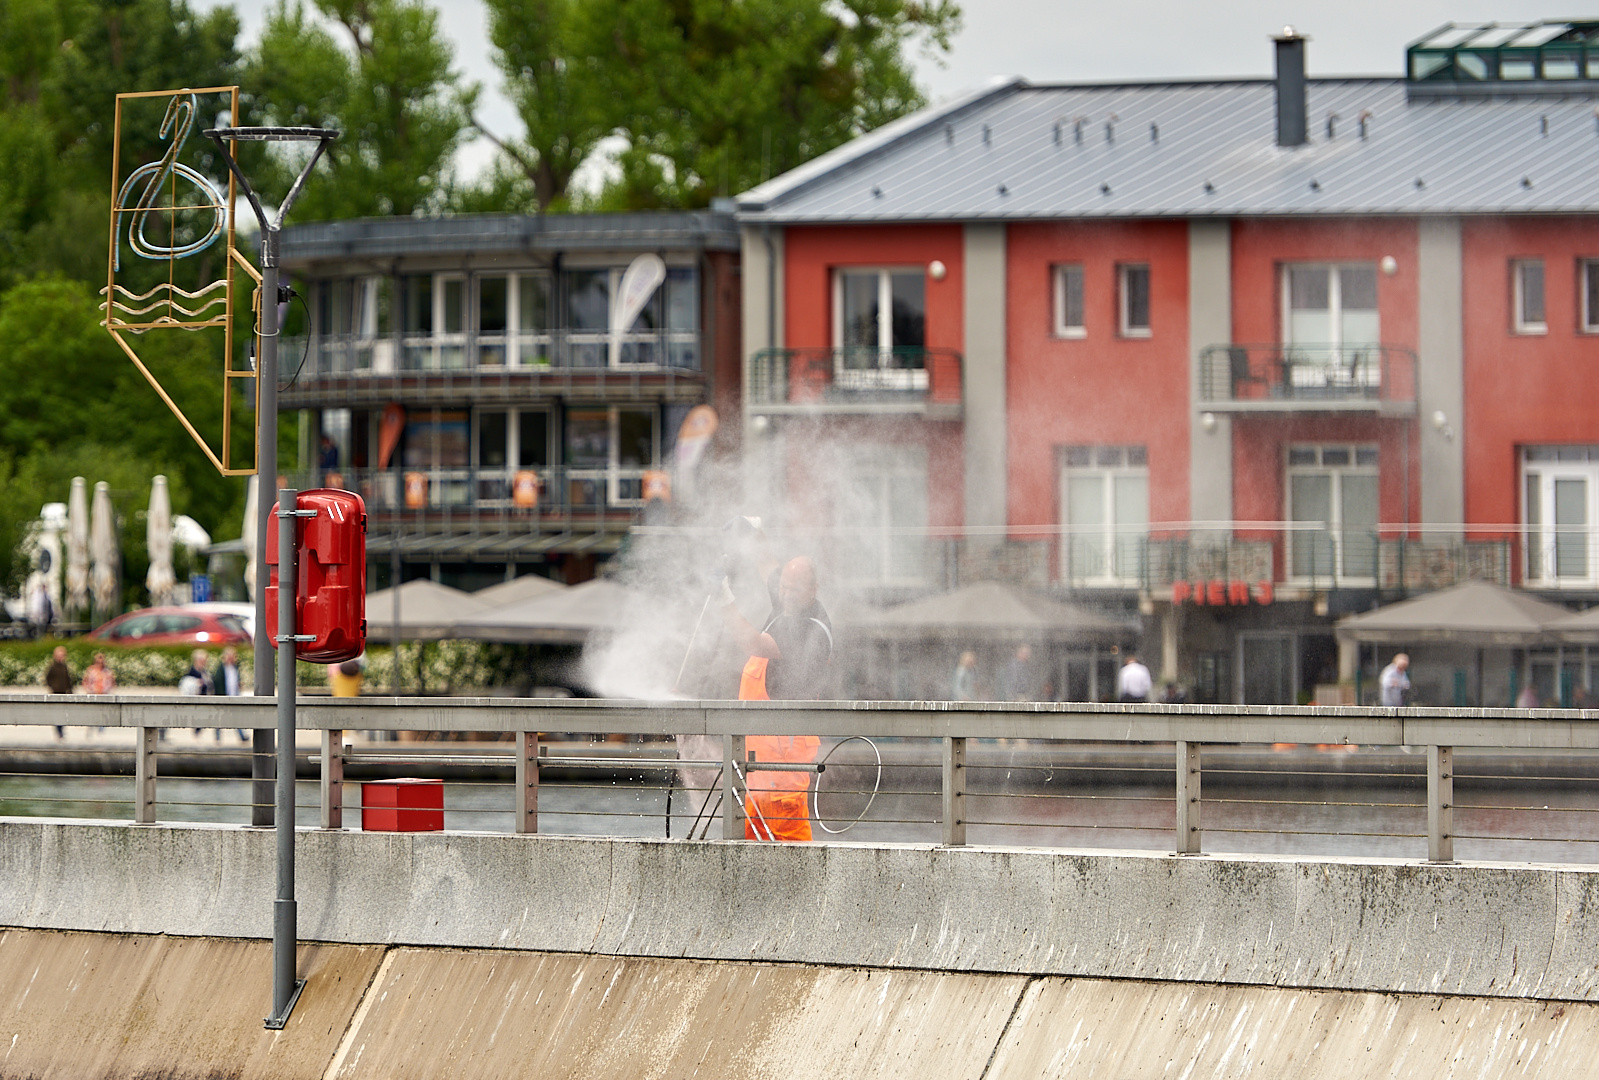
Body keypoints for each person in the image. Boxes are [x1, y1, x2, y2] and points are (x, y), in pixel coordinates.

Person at [719, 555, 832, 841]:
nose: (785, 594)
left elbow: (753, 643)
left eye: (794, 589)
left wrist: (724, 599)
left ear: (813, 589)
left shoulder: (810, 629)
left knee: (787, 837)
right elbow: (766, 566)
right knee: (749, 832)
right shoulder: (785, 605)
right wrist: (752, 530)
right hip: (757, 759)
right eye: (783, 586)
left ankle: (803, 886)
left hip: (785, 758)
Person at [213, 646, 244, 740]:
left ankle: (242, 736)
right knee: (220, 718)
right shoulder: (221, 669)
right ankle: (218, 736)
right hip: (223, 696)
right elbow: (217, 682)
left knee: (236, 718)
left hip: (234, 696)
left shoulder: (235, 668)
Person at [45, 645, 71, 737]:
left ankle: (61, 729)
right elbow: (48, 678)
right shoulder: (53, 667)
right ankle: (58, 730)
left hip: (64, 692)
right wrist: (53, 686)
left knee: (63, 713)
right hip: (56, 693)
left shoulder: (65, 666)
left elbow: (68, 679)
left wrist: (70, 690)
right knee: (57, 712)